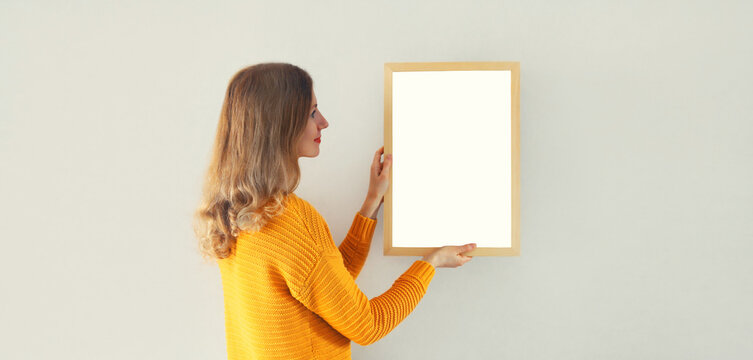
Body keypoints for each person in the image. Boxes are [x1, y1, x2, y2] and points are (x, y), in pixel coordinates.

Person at [193, 62, 476, 360]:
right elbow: (368, 324)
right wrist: (430, 263)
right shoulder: (289, 219)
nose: (324, 122)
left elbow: (325, 285)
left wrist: (370, 204)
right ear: (282, 124)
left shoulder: (236, 213)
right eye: (312, 112)